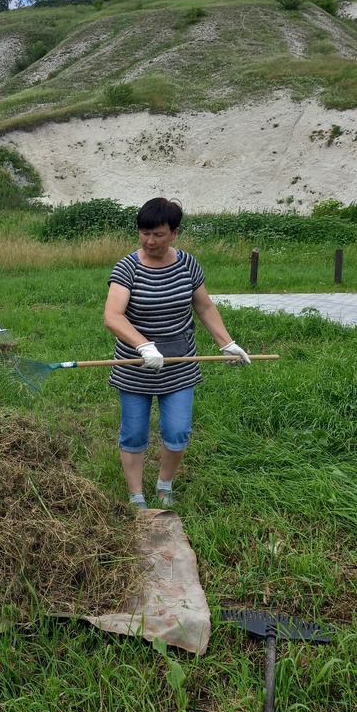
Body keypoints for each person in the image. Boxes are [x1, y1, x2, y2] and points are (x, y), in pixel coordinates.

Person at [103, 197, 250, 511]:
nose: (149, 241)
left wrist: (226, 343)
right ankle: (136, 496)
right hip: (136, 365)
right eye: (144, 233)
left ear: (174, 233)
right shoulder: (128, 267)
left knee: (177, 430)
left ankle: (164, 484)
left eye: (157, 234)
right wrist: (143, 345)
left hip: (180, 364)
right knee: (134, 432)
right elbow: (113, 316)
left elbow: (204, 306)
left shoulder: (187, 264)